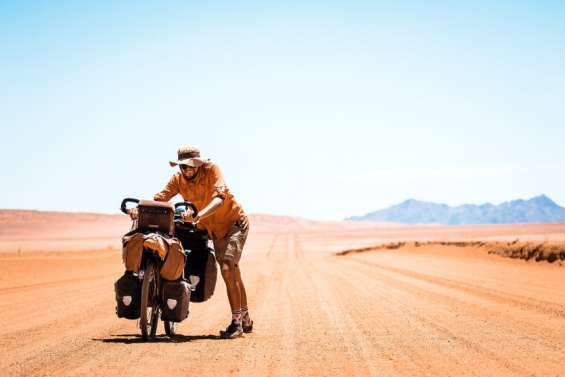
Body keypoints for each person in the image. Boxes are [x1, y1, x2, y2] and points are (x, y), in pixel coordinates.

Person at [151, 145, 252, 339]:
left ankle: (237, 323)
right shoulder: (178, 179)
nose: (186, 170)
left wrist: (198, 216)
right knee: (234, 273)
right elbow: (160, 198)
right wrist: (141, 208)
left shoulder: (212, 170)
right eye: (182, 166)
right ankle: (245, 317)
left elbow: (219, 199)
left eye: (190, 166)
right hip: (213, 230)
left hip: (233, 224)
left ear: (198, 164)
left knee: (227, 268)